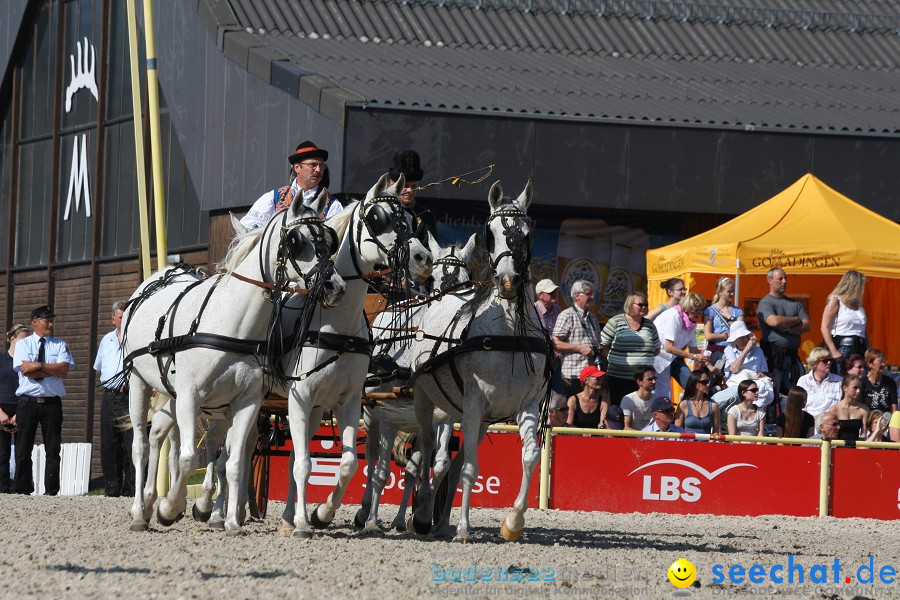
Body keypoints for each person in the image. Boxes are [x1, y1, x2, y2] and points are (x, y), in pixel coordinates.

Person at [13, 306, 75, 495]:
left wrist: (38, 365)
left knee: (53, 449)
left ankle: (51, 491)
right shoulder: (24, 344)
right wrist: (51, 369)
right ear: (35, 322)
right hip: (27, 402)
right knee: (23, 448)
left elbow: (64, 370)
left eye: (51, 320)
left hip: (51, 403)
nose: (51, 324)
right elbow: (24, 370)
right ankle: (22, 489)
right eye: (47, 320)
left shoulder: (59, 344)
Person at [240, 140, 342, 229]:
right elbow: (248, 226)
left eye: (321, 165)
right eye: (313, 165)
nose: (319, 170)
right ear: (297, 168)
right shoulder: (275, 197)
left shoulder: (332, 205)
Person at [93, 301, 133, 497]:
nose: (123, 320)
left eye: (126, 316)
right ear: (113, 320)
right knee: (109, 444)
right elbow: (99, 366)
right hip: (109, 396)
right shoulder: (106, 340)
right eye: (120, 317)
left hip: (129, 396)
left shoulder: (135, 338)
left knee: (131, 443)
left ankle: (131, 489)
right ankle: (112, 488)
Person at [599, 291, 660, 405]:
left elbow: (656, 349)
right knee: (619, 410)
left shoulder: (650, 325)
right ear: (630, 304)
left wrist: (643, 359)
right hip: (618, 376)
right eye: (640, 305)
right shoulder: (616, 322)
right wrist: (615, 359)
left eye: (645, 305)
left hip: (642, 380)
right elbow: (602, 345)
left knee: (640, 409)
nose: (644, 307)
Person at [757, 267, 810, 397]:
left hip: (792, 355)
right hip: (774, 355)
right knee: (773, 392)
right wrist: (796, 319)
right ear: (769, 280)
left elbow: (807, 325)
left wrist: (787, 329)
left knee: (793, 394)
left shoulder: (794, 303)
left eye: (785, 278)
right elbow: (774, 322)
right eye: (780, 278)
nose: (784, 281)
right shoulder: (765, 303)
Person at [552, 280, 603, 399]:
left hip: (591, 376)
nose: (592, 297)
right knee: (572, 412)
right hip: (573, 375)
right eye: (588, 294)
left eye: (592, 294)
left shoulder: (593, 318)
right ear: (577, 296)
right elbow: (555, 343)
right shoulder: (567, 315)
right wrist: (579, 348)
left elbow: (598, 344)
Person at [653, 293, 708, 399]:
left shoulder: (691, 323)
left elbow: (693, 349)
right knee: (664, 396)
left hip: (674, 358)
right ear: (688, 308)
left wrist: (709, 364)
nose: (699, 314)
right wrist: (694, 356)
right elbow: (669, 347)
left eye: (701, 311)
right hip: (659, 359)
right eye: (697, 310)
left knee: (694, 387)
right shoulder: (673, 316)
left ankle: (691, 412)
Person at [820, 270, 867, 372]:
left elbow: (863, 331)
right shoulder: (836, 301)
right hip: (844, 346)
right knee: (843, 378)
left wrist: (868, 349)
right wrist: (833, 350)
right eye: (860, 286)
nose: (862, 289)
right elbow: (824, 327)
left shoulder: (859, 307)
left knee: (859, 378)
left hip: (860, 346)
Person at [1, 324, 29, 493]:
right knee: (2, 453)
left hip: (22, 408)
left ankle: (21, 488)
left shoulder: (25, 363)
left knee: (22, 452)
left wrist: (20, 413)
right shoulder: (2, 360)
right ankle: (2, 489)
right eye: (22, 340)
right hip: (2, 409)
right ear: (13, 338)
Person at [388, 149, 437, 244]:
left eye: (414, 186)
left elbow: (429, 251)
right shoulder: (381, 212)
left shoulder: (426, 217)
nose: (410, 191)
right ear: (392, 184)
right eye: (405, 186)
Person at [703, 276, 744, 359]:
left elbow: (741, 332)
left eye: (733, 291)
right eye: (729, 291)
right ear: (720, 292)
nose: (732, 294)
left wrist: (730, 317)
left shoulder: (738, 311)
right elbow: (708, 336)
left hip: (734, 351)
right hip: (717, 351)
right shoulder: (710, 311)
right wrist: (727, 335)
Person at [797, 347, 843, 418]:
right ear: (815, 363)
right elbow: (799, 407)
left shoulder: (839, 381)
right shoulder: (803, 381)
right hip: (809, 422)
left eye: (830, 360)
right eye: (825, 360)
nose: (829, 362)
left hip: (832, 423)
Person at [675, 369, 721, 435]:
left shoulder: (714, 405)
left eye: (708, 382)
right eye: (704, 382)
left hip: (706, 444)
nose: (708, 385)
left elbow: (716, 431)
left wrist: (710, 443)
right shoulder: (683, 405)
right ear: (695, 383)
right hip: (687, 444)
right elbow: (677, 430)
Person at [827, 374, 870, 441]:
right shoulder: (835, 409)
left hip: (856, 446)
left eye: (859, 388)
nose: (858, 391)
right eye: (855, 388)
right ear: (845, 388)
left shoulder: (863, 410)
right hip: (838, 446)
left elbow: (863, 434)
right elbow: (830, 432)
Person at [860, 348, 898, 413]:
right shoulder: (862, 383)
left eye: (884, 361)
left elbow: (894, 410)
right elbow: (860, 410)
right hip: (869, 420)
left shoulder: (890, 383)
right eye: (880, 362)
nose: (884, 364)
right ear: (870, 364)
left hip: (886, 420)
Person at [622, 367, 658, 431]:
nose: (654, 382)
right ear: (639, 382)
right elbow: (626, 428)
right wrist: (643, 437)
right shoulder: (628, 400)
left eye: (655, 378)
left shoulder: (656, 400)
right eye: (650, 379)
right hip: (634, 438)